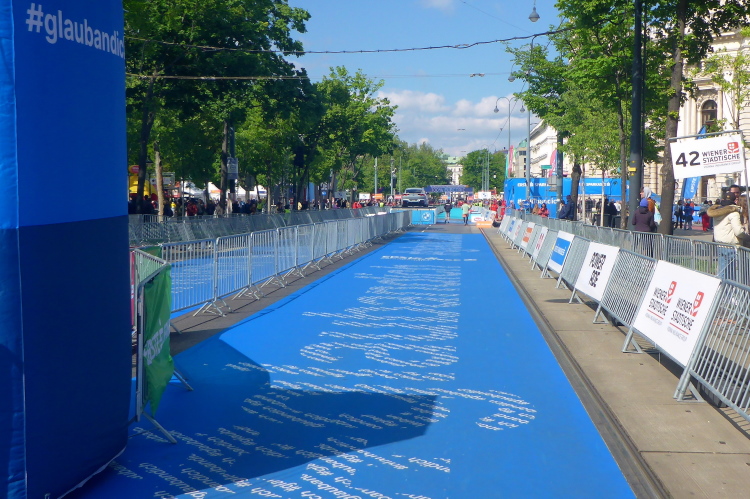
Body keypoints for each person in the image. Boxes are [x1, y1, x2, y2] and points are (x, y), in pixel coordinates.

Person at [708, 192, 747, 281]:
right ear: (734, 200)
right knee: (732, 272)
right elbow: (738, 231)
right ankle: (730, 289)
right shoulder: (734, 213)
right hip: (732, 245)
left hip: (720, 244)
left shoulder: (716, 212)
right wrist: (746, 237)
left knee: (722, 272)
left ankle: (722, 288)